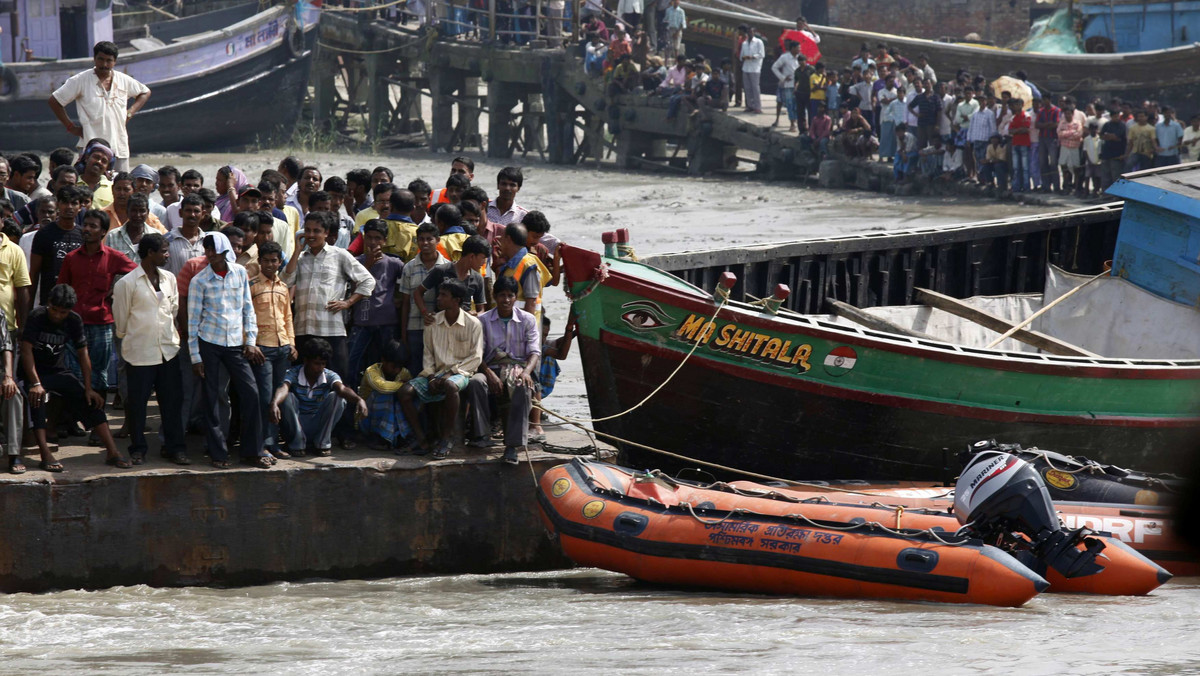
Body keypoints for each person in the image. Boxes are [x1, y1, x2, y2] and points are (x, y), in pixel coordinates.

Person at [22, 284, 127, 470]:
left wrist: (88, 388)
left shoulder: (73, 320)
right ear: (49, 304)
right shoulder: (37, 316)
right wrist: (36, 383)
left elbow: (83, 353)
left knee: (91, 400)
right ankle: (45, 453)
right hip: (33, 373)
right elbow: (26, 350)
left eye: (62, 312)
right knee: (36, 399)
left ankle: (112, 451)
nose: (57, 315)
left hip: (58, 371)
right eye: (54, 310)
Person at [187, 232, 266, 469]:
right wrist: (195, 356)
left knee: (251, 394)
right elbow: (192, 320)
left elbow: (247, 309)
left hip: (235, 344)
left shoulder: (240, 273)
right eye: (207, 249)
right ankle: (217, 453)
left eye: (213, 249)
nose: (209, 254)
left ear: (223, 250)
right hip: (209, 343)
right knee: (211, 399)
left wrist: (251, 340)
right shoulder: (199, 281)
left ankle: (253, 451)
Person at [111, 232, 189, 465]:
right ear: (149, 254)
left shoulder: (169, 278)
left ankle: (175, 448)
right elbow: (121, 320)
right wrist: (134, 339)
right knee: (137, 404)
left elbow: (173, 310)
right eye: (163, 251)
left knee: (172, 403)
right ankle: (138, 449)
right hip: (139, 352)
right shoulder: (127, 282)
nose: (167, 255)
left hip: (168, 350)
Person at [57, 208, 136, 405]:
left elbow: (137, 274)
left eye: (93, 226)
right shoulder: (71, 258)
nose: (87, 229)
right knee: (73, 371)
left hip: (102, 323)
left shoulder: (113, 257)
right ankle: (73, 419)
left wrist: (117, 290)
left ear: (103, 232)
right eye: (85, 225)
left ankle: (97, 421)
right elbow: (62, 289)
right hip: (74, 323)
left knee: (100, 372)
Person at [398, 279, 483, 459]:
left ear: (456, 300)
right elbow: (428, 355)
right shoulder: (432, 322)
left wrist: (451, 373)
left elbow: (476, 357)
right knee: (405, 392)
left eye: (444, 295)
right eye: (440, 294)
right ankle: (421, 440)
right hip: (435, 373)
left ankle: (445, 439)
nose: (438, 298)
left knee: (451, 386)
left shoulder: (473, 324)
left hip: (460, 373)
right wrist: (430, 376)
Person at [464, 276, 541, 464]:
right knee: (475, 382)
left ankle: (512, 446)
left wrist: (526, 373)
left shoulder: (528, 319)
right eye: (502, 295)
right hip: (490, 368)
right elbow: (477, 353)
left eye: (510, 295)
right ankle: (482, 436)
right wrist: (489, 374)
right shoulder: (483, 320)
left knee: (523, 387)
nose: (506, 300)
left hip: (518, 369)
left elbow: (534, 352)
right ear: (494, 296)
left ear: (515, 297)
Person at [48, 41, 150, 173]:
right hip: (90, 148)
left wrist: (129, 113)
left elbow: (145, 92)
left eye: (109, 60)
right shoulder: (80, 80)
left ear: (115, 62)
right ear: (94, 59)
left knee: (119, 187)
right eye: (101, 59)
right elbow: (54, 100)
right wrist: (71, 127)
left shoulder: (123, 80)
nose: (104, 64)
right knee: (89, 186)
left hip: (118, 147)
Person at [270, 338, 368, 458]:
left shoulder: (329, 375)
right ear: (306, 361)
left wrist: (359, 399)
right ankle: (297, 444)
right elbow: (284, 387)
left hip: (318, 424)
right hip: (297, 424)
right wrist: (275, 403)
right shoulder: (293, 373)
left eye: (323, 364)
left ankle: (322, 443)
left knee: (338, 398)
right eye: (316, 363)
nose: (320, 368)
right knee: (287, 397)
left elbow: (342, 389)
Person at [249, 240, 296, 461]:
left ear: (279, 262)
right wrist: (250, 344)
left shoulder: (283, 287)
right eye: (266, 260)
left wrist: (292, 343)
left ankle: (275, 443)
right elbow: (246, 317)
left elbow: (288, 317)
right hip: (263, 348)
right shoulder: (252, 285)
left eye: (274, 261)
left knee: (280, 397)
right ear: (259, 262)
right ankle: (264, 444)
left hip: (282, 346)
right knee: (266, 397)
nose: (270, 264)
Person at [348, 220, 405, 388]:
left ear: (385, 240)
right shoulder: (356, 262)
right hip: (361, 321)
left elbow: (404, 287)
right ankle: (352, 398)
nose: (373, 242)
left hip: (386, 322)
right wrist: (368, 264)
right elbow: (352, 287)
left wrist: (398, 299)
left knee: (386, 363)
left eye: (378, 238)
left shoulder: (394, 264)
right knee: (352, 361)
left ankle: (383, 396)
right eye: (369, 238)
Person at [397, 224, 448, 379]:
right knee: (415, 369)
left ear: (438, 240)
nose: (425, 243)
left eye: (429, 239)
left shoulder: (447, 267)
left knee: (438, 369)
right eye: (421, 239)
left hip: (440, 329)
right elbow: (405, 302)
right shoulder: (409, 267)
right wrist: (404, 333)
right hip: (415, 328)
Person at [358, 339, 413, 450]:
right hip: (366, 418)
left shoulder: (404, 372)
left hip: (391, 416)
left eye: (399, 367)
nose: (396, 370)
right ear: (383, 360)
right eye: (393, 366)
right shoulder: (371, 371)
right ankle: (380, 436)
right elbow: (382, 387)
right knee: (387, 395)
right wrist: (402, 386)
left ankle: (400, 436)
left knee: (403, 398)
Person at [528, 313, 575, 442]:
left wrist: (573, 332)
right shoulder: (537, 347)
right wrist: (569, 329)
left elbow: (557, 342)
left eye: (546, 335)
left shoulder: (543, 345)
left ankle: (535, 411)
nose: (543, 339)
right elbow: (561, 354)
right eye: (541, 335)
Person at [497, 222, 551, 323]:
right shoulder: (511, 265)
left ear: (508, 239)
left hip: (522, 330)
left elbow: (531, 302)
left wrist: (526, 333)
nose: (499, 241)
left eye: (502, 238)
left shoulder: (528, 264)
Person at [771, 42, 803, 133]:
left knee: (797, 105)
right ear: (792, 48)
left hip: (799, 85)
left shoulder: (801, 58)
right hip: (788, 85)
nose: (799, 49)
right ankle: (792, 123)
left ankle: (797, 122)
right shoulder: (785, 57)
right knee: (790, 104)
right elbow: (774, 67)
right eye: (798, 48)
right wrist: (783, 78)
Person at [738, 25, 764, 114]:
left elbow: (762, 54)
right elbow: (741, 56)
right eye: (748, 32)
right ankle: (749, 106)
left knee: (755, 88)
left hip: (755, 68)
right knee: (747, 88)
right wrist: (744, 58)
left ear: (754, 32)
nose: (750, 33)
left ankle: (757, 107)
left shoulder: (758, 42)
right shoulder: (744, 43)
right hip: (746, 67)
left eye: (751, 32)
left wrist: (752, 57)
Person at [1099, 113, 1127, 190]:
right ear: (1111, 116)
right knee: (1105, 176)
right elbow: (1102, 136)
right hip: (1106, 154)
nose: (1116, 118)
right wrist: (1111, 137)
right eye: (1114, 116)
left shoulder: (1122, 126)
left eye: (1117, 116)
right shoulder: (1107, 125)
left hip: (1117, 155)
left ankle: (1115, 196)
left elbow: (1119, 137)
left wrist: (1111, 136)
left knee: (1116, 177)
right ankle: (1105, 194)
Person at [1009, 99, 1032, 193]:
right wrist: (1019, 130)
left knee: (1025, 168)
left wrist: (1016, 130)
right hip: (1015, 144)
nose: (1017, 106)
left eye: (1018, 104)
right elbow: (1010, 131)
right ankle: (1016, 187)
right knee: (1016, 168)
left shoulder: (1026, 115)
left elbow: (1026, 129)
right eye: (1015, 104)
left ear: (1022, 105)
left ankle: (1026, 187)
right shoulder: (1013, 117)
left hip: (1024, 144)